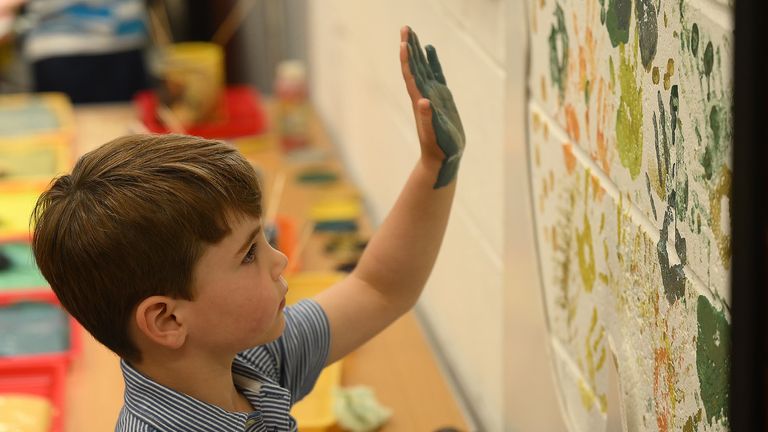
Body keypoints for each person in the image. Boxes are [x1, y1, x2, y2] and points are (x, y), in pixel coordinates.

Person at [31, 26, 465, 431]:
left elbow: (379, 289)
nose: (281, 260)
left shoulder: (246, 364)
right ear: (166, 319)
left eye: (264, 240)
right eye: (249, 254)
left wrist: (435, 166)